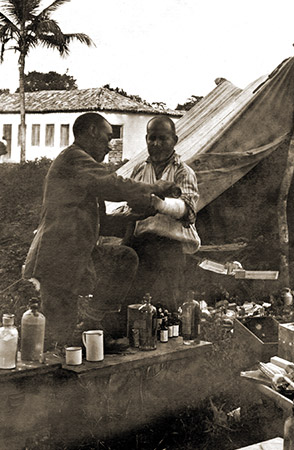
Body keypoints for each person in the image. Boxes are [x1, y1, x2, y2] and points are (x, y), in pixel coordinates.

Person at [22, 112, 179, 349]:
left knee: (123, 258)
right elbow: (112, 185)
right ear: (92, 133)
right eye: (107, 138)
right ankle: (55, 367)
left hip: (75, 255)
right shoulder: (74, 159)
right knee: (58, 331)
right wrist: (155, 188)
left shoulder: (83, 169)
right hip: (58, 256)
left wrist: (137, 216)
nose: (109, 146)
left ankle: (92, 326)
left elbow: (100, 223)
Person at [121, 116, 200, 311]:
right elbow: (130, 207)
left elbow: (188, 211)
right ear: (146, 139)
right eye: (152, 138)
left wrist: (158, 204)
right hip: (139, 245)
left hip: (168, 248)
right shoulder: (139, 169)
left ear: (175, 140)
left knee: (165, 304)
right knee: (133, 301)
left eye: (163, 138)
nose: (156, 144)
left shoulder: (183, 172)